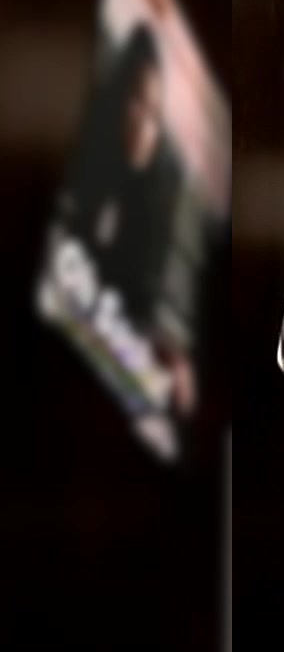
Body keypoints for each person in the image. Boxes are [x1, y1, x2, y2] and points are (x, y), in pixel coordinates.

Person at [58, 21, 191, 416]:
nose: (143, 124)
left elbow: (139, 301)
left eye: (154, 113)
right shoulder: (85, 154)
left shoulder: (156, 198)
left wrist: (163, 350)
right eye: (136, 102)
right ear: (118, 97)